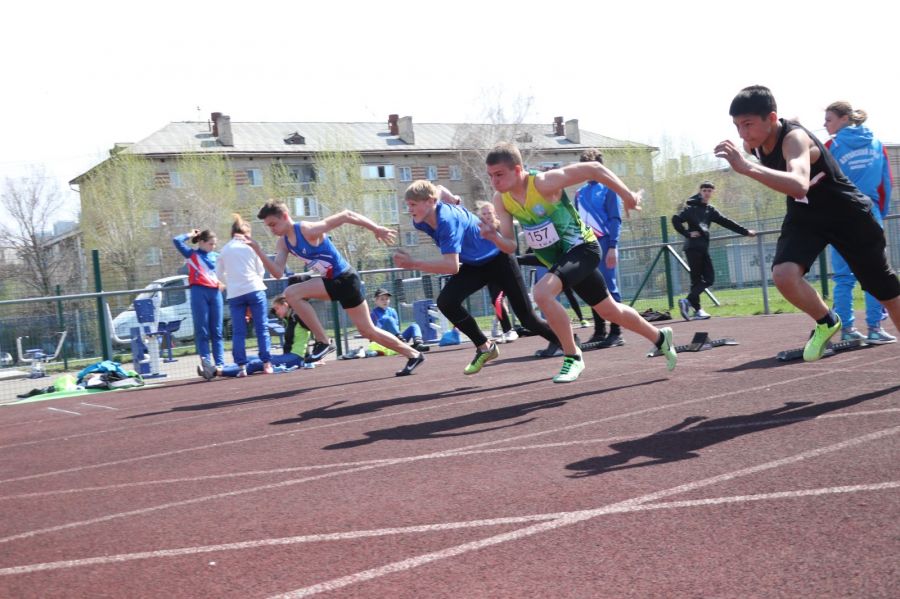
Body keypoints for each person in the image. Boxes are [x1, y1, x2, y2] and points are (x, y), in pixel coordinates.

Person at [715, 85, 900, 361]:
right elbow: (797, 192)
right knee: (784, 275)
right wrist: (749, 161)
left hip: (847, 215)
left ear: (772, 118)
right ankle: (827, 321)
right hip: (806, 216)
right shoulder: (751, 144)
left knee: (883, 289)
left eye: (748, 124)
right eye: (737, 125)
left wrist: (747, 168)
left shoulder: (795, 140)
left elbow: (799, 184)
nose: (743, 133)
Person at [483, 142, 677, 383]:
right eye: (491, 176)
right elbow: (511, 246)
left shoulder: (544, 183)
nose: (495, 181)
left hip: (583, 248)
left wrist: (627, 195)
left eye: (499, 174)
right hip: (561, 259)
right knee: (609, 310)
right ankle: (660, 337)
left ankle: (573, 356)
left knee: (542, 293)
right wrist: (494, 237)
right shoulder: (502, 200)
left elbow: (594, 168)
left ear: (518, 169)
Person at [394, 181, 562, 375]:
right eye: (408, 204)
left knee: (526, 318)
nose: (409, 209)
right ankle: (485, 347)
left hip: (499, 258)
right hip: (476, 264)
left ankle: (563, 341)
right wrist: (454, 198)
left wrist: (414, 263)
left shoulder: (447, 220)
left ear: (430, 202)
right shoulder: (420, 219)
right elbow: (438, 188)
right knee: (447, 301)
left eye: (413, 204)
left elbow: (451, 266)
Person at [247, 200, 425, 377]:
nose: (272, 230)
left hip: (345, 279)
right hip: (336, 282)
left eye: (273, 224)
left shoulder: (307, 230)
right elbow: (277, 272)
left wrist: (376, 228)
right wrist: (258, 251)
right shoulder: (283, 243)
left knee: (292, 293)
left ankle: (323, 341)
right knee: (367, 330)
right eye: (268, 227)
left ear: (285, 216)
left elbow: (346, 215)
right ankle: (413, 354)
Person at [823, 101, 896, 344]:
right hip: (869, 212)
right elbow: (886, 183)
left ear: (844, 118)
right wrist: (879, 213)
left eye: (829, 119)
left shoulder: (831, 146)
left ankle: (848, 331)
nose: (825, 124)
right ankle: (875, 328)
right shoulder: (877, 145)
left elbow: (817, 182)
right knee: (875, 274)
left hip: (839, 215)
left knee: (844, 277)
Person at [671, 181, 756, 321]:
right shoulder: (690, 208)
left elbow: (727, 222)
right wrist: (687, 233)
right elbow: (675, 220)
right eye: (704, 190)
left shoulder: (710, 210)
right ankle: (690, 303)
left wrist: (745, 232)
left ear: (712, 193)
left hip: (702, 247)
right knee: (706, 279)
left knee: (700, 280)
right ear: (700, 192)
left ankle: (695, 308)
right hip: (693, 247)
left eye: (709, 191)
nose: (707, 193)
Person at [574, 148, 627, 346]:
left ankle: (616, 331)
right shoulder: (579, 193)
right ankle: (599, 331)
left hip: (605, 243)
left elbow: (615, 219)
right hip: (586, 246)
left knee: (609, 286)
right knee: (591, 287)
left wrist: (613, 246)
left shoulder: (609, 188)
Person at [215, 213, 273, 377]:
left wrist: (230, 282)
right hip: (254, 288)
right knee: (262, 327)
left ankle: (241, 367)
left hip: (235, 294)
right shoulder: (251, 247)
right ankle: (267, 363)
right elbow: (260, 270)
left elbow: (218, 274)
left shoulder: (225, 250)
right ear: (246, 233)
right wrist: (256, 281)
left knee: (239, 331)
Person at [172, 228, 226, 379]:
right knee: (202, 331)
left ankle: (220, 365)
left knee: (217, 331)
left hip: (215, 293)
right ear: (201, 242)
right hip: (199, 293)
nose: (213, 247)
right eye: (210, 244)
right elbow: (176, 240)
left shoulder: (217, 256)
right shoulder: (192, 254)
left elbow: (225, 272)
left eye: (215, 244)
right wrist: (190, 234)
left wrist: (223, 282)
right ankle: (206, 363)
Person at [475, 201, 518, 343]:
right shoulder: (479, 228)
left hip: (505, 267)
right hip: (489, 269)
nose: (487, 216)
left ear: (495, 213)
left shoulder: (500, 226)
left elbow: (509, 244)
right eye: (484, 214)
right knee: (495, 301)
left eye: (489, 213)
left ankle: (511, 330)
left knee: (501, 300)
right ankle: (507, 330)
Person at [272, 293, 312, 361]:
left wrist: (315, 355)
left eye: (277, 308)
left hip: (297, 357)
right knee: (252, 359)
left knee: (256, 363)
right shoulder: (288, 319)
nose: (276, 312)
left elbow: (314, 330)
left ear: (285, 305)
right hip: (288, 356)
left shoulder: (297, 316)